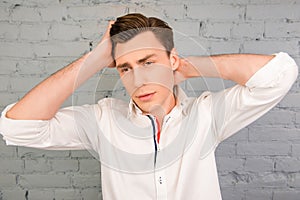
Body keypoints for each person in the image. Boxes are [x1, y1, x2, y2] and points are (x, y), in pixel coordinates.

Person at [0, 13, 298, 200]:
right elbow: (17, 127)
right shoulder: (102, 119)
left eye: (148, 63)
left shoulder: (207, 113)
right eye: (125, 68)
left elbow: (280, 75)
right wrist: (94, 60)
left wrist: (188, 68)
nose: (138, 79)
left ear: (172, 59)